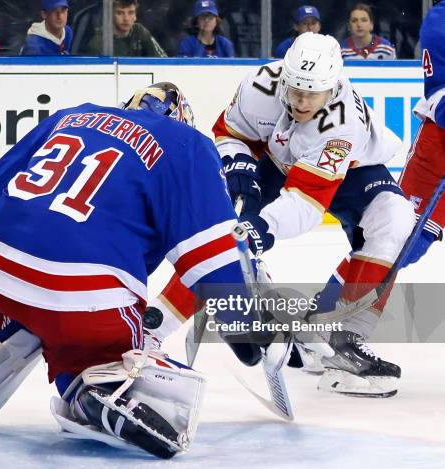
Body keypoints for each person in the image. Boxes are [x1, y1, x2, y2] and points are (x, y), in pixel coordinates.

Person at [0, 82, 256, 458]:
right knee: (151, 382)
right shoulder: (187, 146)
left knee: (30, 300)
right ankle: (97, 385)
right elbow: (212, 266)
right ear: (183, 120)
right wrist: (250, 336)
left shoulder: (71, 116)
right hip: (82, 298)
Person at [149, 32, 416, 398]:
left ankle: (339, 337)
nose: (301, 101)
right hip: (275, 158)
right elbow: (228, 132)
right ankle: (151, 331)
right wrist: (236, 156)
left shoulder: (341, 127)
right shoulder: (261, 84)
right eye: (295, 90)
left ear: (333, 86)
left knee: (395, 218)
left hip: (351, 168)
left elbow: (306, 203)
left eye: (312, 94)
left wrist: (262, 229)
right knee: (222, 239)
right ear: (284, 76)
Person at [398, 0, 444, 266]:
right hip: (440, 140)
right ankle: (335, 302)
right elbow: (439, 90)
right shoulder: (441, 21)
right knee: (403, 242)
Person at [85, 0, 167, 57]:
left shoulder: (139, 31)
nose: (126, 18)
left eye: (131, 13)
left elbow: (163, 61)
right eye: (120, 13)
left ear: (135, 16)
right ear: (111, 15)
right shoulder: (99, 42)